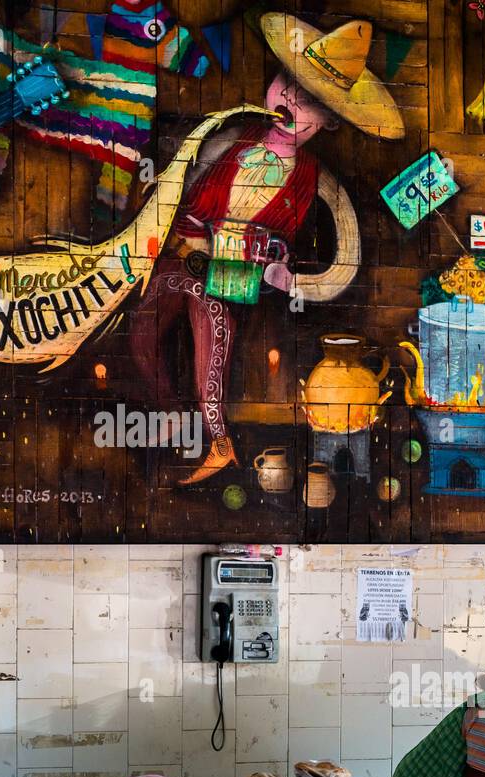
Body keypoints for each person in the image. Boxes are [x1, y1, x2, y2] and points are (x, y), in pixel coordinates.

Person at [127, 13, 402, 485]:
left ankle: (219, 442)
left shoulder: (317, 179)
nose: (292, 99)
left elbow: (347, 255)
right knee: (143, 328)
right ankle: (171, 412)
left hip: (234, 279)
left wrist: (292, 281)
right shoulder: (231, 138)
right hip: (178, 259)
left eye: (312, 100)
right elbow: (175, 185)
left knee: (209, 318)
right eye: (288, 83)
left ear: (329, 123)